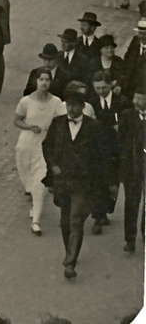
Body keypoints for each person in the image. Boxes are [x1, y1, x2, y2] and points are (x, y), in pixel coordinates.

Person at [42, 82, 114, 279]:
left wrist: (107, 183)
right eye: (68, 105)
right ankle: (69, 252)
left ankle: (70, 263)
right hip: (62, 182)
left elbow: (103, 156)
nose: (71, 109)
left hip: (83, 183)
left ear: (83, 107)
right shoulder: (57, 124)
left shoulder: (94, 128)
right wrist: (53, 165)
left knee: (76, 221)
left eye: (75, 105)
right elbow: (47, 147)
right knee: (65, 222)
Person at [89, 70, 129, 233]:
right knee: (99, 179)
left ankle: (107, 208)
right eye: (97, 88)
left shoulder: (122, 102)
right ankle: (98, 216)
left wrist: (123, 127)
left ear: (111, 85)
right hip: (98, 148)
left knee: (113, 181)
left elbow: (132, 123)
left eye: (104, 88)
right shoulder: (91, 103)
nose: (100, 91)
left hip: (117, 149)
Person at [118, 85, 146, 253]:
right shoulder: (127, 116)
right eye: (134, 97)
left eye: (140, 98)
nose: (135, 101)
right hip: (132, 167)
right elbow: (120, 143)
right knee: (131, 203)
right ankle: (130, 239)